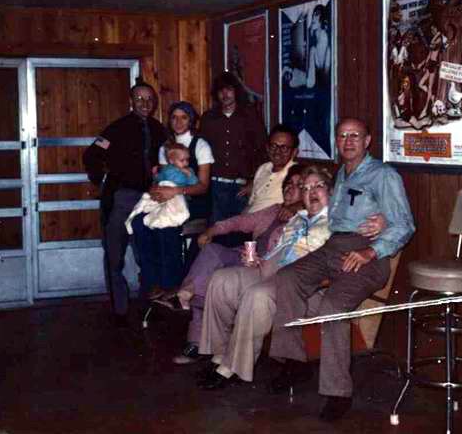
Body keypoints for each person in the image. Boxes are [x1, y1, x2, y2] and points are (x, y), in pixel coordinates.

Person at [268, 118, 415, 422]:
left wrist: (370, 249)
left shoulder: (383, 175)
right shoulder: (342, 174)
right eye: (341, 136)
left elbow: (405, 225)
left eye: (355, 136)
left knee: (333, 304)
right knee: (286, 278)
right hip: (333, 248)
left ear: (368, 140)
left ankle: (338, 392)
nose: (348, 141)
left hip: (367, 255)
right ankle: (294, 363)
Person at [195, 167, 334, 389]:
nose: (311, 191)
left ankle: (234, 368)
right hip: (271, 271)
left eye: (319, 186)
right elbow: (278, 250)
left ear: (332, 192)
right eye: (306, 188)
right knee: (222, 279)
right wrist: (260, 260)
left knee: (257, 295)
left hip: (301, 287)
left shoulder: (337, 223)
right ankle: (219, 355)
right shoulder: (298, 219)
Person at [168, 164, 308, 365]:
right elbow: (239, 221)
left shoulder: (306, 219)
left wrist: (298, 209)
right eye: (288, 184)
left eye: (297, 185)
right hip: (245, 256)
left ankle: (197, 341)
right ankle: (185, 293)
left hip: (264, 267)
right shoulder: (273, 210)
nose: (289, 188)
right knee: (211, 252)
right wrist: (211, 231)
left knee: (206, 283)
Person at [82, 82, 167, 326]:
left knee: (147, 255)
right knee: (115, 256)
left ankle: (148, 307)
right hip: (121, 199)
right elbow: (91, 156)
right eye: (139, 99)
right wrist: (104, 181)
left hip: (149, 201)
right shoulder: (115, 129)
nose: (145, 103)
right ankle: (119, 310)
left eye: (149, 99)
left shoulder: (160, 130)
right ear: (131, 101)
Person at [130, 101, 214, 300]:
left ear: (191, 120)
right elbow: (160, 178)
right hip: (166, 198)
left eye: (183, 117)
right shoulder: (165, 148)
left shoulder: (200, 145)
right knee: (138, 223)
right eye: (174, 117)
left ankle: (171, 284)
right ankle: (152, 281)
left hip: (193, 200)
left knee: (165, 226)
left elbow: (203, 186)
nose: (178, 121)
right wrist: (155, 190)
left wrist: (176, 191)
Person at [200, 72, 267, 228]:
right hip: (215, 187)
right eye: (221, 90)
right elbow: (200, 152)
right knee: (216, 232)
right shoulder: (208, 119)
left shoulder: (250, 116)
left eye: (229, 89)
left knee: (241, 233)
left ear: (236, 91)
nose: (225, 94)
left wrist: (254, 183)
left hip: (242, 188)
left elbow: (263, 151)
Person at [125, 142, 198, 234]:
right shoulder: (167, 169)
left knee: (176, 212)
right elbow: (159, 179)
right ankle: (134, 217)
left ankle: (158, 220)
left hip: (178, 194)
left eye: (187, 160)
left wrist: (189, 175)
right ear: (171, 161)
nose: (186, 163)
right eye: (182, 160)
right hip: (163, 193)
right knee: (145, 199)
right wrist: (155, 174)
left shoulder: (189, 170)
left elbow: (194, 183)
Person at [242, 124, 299, 214]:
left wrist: (293, 208)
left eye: (284, 148)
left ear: (294, 152)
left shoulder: (297, 172)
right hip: (250, 219)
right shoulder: (263, 168)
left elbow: (308, 199)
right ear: (267, 148)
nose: (277, 152)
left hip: (272, 221)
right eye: (273, 146)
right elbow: (252, 203)